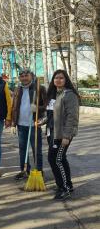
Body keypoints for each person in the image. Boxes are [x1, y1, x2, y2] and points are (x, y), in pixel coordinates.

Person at [45, 69, 79, 201]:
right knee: (60, 159)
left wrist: (67, 136)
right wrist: (41, 121)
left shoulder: (69, 95)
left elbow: (72, 117)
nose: (58, 80)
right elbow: (51, 115)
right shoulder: (55, 95)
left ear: (66, 80)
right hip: (52, 133)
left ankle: (63, 188)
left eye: (61, 78)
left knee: (55, 159)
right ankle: (67, 185)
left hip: (62, 135)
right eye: (56, 78)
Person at [11, 69, 47, 180]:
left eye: (26, 76)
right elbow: (14, 107)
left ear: (31, 76)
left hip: (34, 124)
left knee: (37, 150)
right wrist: (13, 123)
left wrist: (38, 108)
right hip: (21, 125)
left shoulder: (39, 89)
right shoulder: (18, 89)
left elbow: (47, 105)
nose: (24, 78)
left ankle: (39, 171)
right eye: (22, 76)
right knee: (22, 149)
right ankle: (25, 170)